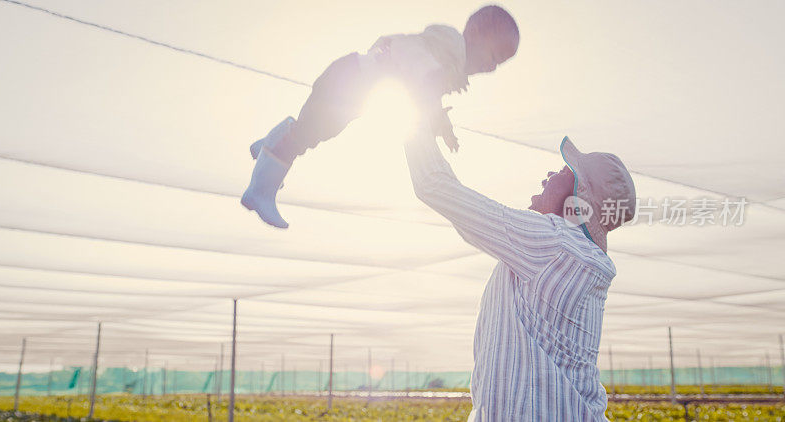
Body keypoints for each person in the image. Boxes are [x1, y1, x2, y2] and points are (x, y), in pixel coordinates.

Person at [404, 127, 636, 421]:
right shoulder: (585, 260)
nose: (548, 176)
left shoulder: (554, 244)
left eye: (563, 171)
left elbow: (434, 184)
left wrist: (415, 119)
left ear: (579, 193)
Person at [241, 5, 520, 228]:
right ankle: (260, 191)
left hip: (352, 82)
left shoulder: (447, 62)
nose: (492, 66)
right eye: (494, 55)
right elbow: (421, 72)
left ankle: (266, 146)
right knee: (306, 135)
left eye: (500, 64)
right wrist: (433, 111)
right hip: (349, 80)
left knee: (313, 130)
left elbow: (425, 90)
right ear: (475, 34)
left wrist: (440, 121)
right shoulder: (448, 46)